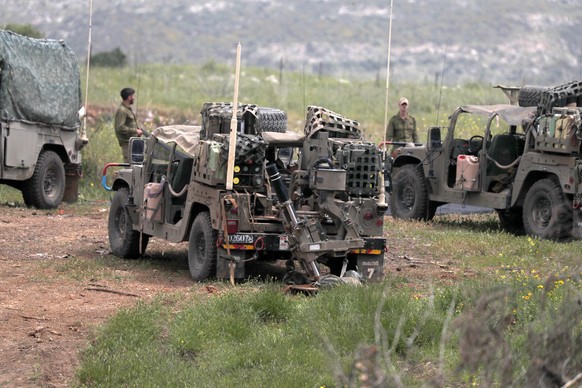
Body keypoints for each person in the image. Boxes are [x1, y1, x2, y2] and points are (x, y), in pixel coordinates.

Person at [114, 87, 143, 162]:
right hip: (127, 144)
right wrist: (135, 131)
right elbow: (120, 128)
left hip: (133, 143)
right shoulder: (122, 111)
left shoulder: (128, 110)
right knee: (130, 166)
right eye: (133, 96)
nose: (134, 98)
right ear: (129, 97)